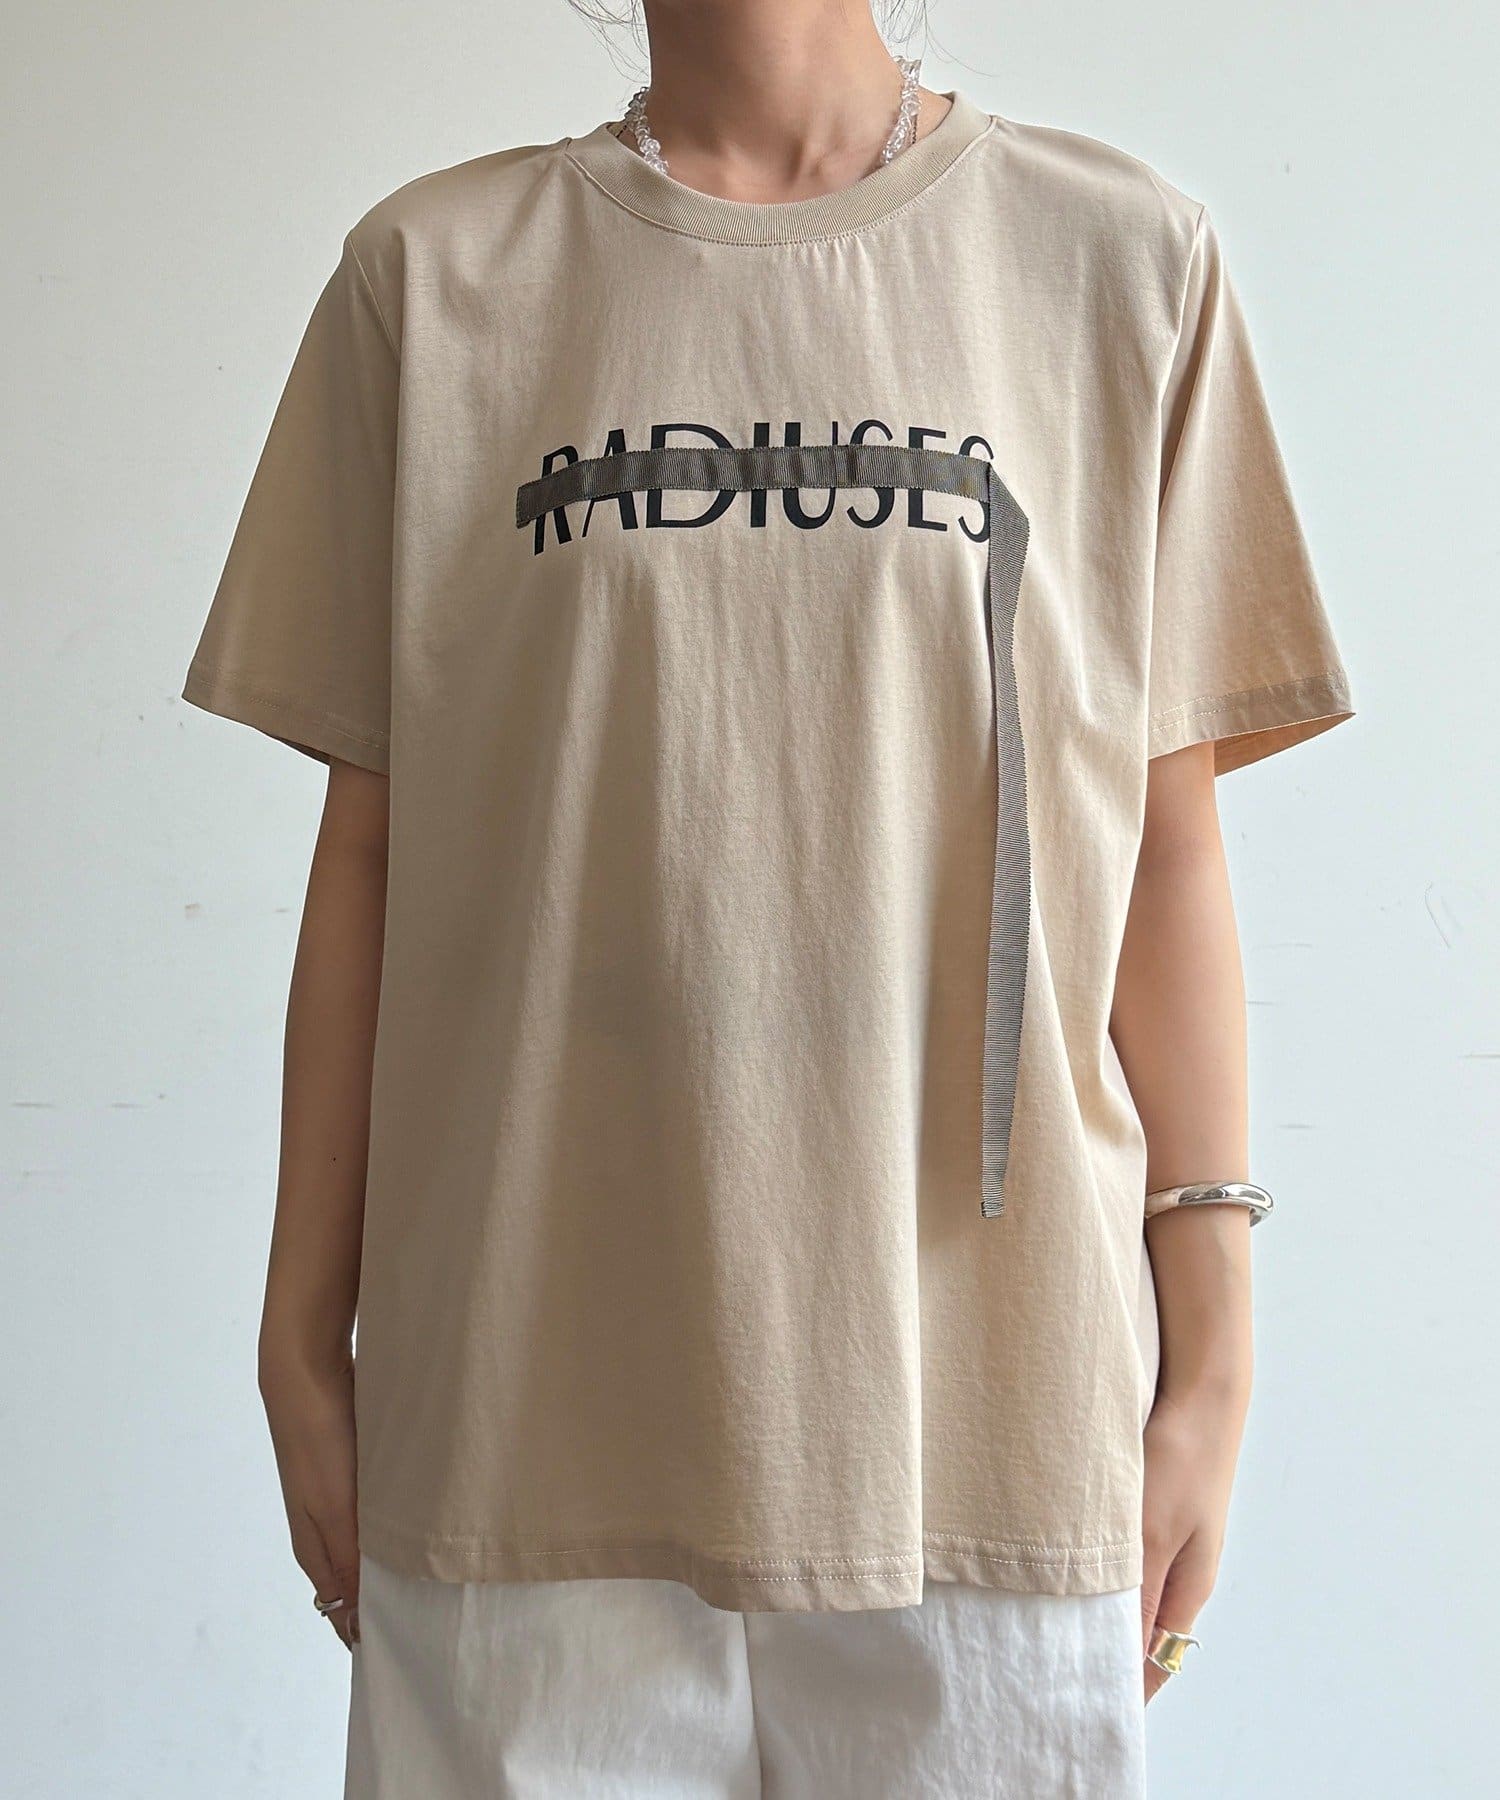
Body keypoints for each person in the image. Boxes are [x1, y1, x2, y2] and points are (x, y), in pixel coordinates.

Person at [182, 1, 1356, 1792]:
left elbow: (1167, 844)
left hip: (992, 1419)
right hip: (525, 1417)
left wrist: (1215, 1362)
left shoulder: (1120, 260)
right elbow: (370, 851)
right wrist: (296, 1342)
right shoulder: (434, 278)